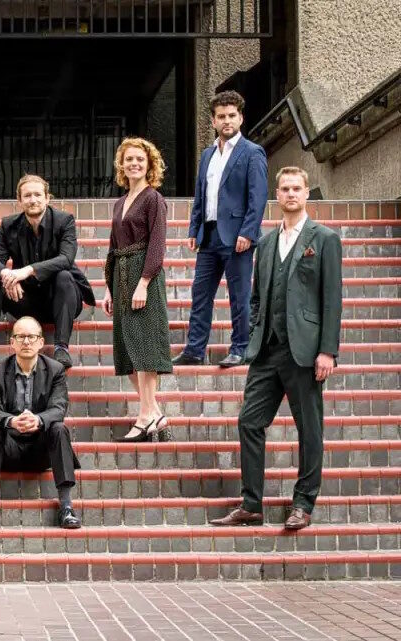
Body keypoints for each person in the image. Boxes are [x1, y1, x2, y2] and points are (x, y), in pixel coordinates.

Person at [210, 167, 342, 531]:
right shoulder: (266, 243)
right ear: (277, 196)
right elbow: (256, 296)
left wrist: (328, 350)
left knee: (309, 428)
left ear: (306, 194)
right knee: (249, 421)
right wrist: (256, 329)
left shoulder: (325, 238)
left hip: (306, 350)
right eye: (284, 189)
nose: (291, 194)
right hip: (267, 349)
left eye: (297, 188)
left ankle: (303, 503)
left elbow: (333, 299)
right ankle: (251, 504)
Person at [0, 175, 95, 370]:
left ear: (47, 198)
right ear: (19, 200)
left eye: (38, 195)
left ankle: (61, 348)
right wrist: (7, 276)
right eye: (27, 195)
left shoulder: (64, 221)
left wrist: (27, 271)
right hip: (25, 300)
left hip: (60, 299)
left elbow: (66, 259)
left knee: (64, 275)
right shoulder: (9, 225)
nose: (33, 200)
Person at [174, 90, 268, 368]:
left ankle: (240, 348)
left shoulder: (252, 152)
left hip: (237, 236)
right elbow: (201, 194)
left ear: (240, 118)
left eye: (231, 116)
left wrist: (248, 233)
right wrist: (194, 228)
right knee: (200, 293)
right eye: (221, 117)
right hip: (210, 235)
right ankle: (194, 349)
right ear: (213, 121)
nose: (226, 121)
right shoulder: (207, 155)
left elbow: (258, 196)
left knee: (239, 296)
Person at [0, 316, 81, 529]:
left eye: (31, 337)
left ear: (41, 342)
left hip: (41, 449)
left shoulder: (55, 370)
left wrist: (38, 420)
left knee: (59, 428)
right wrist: (12, 421)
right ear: (12, 343)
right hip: (7, 449)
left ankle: (66, 508)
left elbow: (58, 408)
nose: (26, 342)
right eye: (20, 337)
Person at [103, 138, 174, 442]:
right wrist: (108, 287)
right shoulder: (121, 202)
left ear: (149, 164)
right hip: (121, 276)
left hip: (143, 277)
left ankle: (145, 416)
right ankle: (154, 413)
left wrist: (144, 282)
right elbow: (113, 246)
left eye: (140, 160)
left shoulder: (153, 198)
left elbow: (157, 244)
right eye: (129, 159)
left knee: (145, 350)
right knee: (128, 351)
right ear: (121, 164)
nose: (134, 164)